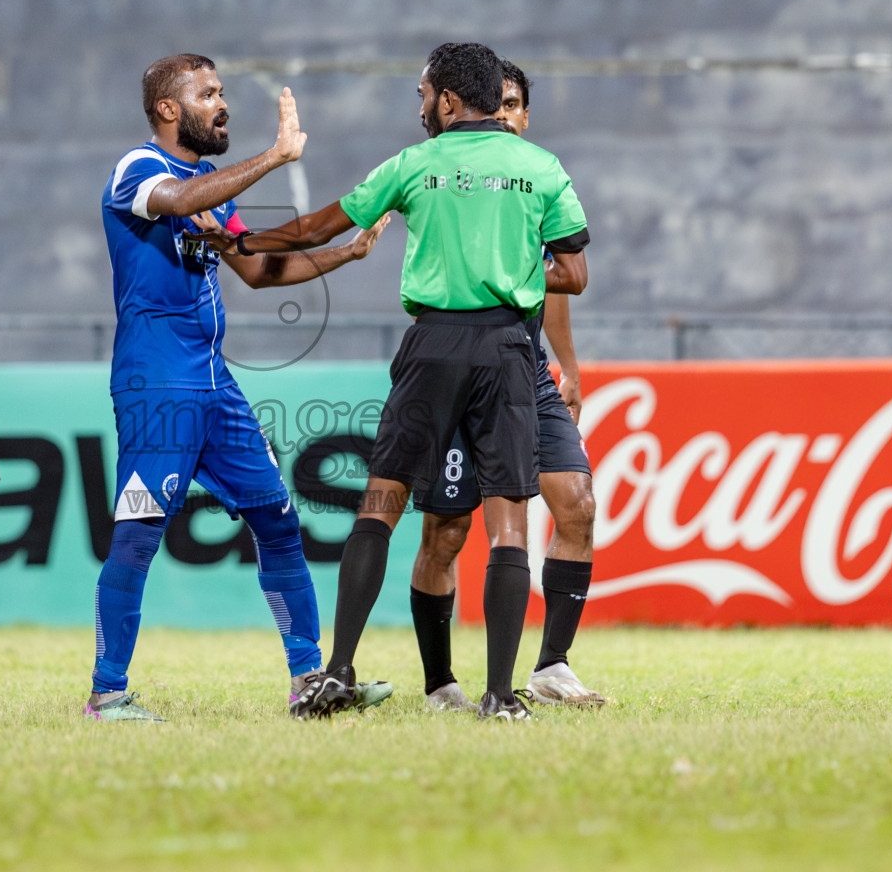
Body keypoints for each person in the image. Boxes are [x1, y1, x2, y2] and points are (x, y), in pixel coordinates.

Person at [196, 43, 589, 722]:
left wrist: (239, 240)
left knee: (379, 505)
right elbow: (573, 264)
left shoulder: (414, 164)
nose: (419, 107)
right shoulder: (541, 168)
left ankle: (337, 670)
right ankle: (500, 694)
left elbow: (321, 226)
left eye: (421, 95)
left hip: (432, 345)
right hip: (506, 350)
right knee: (507, 524)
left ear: (446, 99)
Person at [89, 53, 391, 721]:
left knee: (277, 521)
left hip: (212, 381)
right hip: (155, 382)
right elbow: (173, 202)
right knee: (138, 533)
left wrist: (347, 252)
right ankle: (106, 693)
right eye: (208, 93)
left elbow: (253, 270)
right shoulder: (138, 170)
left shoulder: (208, 186)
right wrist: (276, 157)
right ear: (169, 109)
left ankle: (309, 681)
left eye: (223, 91)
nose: (221, 104)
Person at [409, 60, 605, 713]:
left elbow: (557, 281)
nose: (508, 116)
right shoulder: (454, 181)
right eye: (501, 103)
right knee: (444, 531)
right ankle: (440, 682)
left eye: (517, 104)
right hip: (459, 369)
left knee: (575, 504)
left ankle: (550, 666)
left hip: (526, 371)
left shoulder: (536, 182)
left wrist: (566, 366)